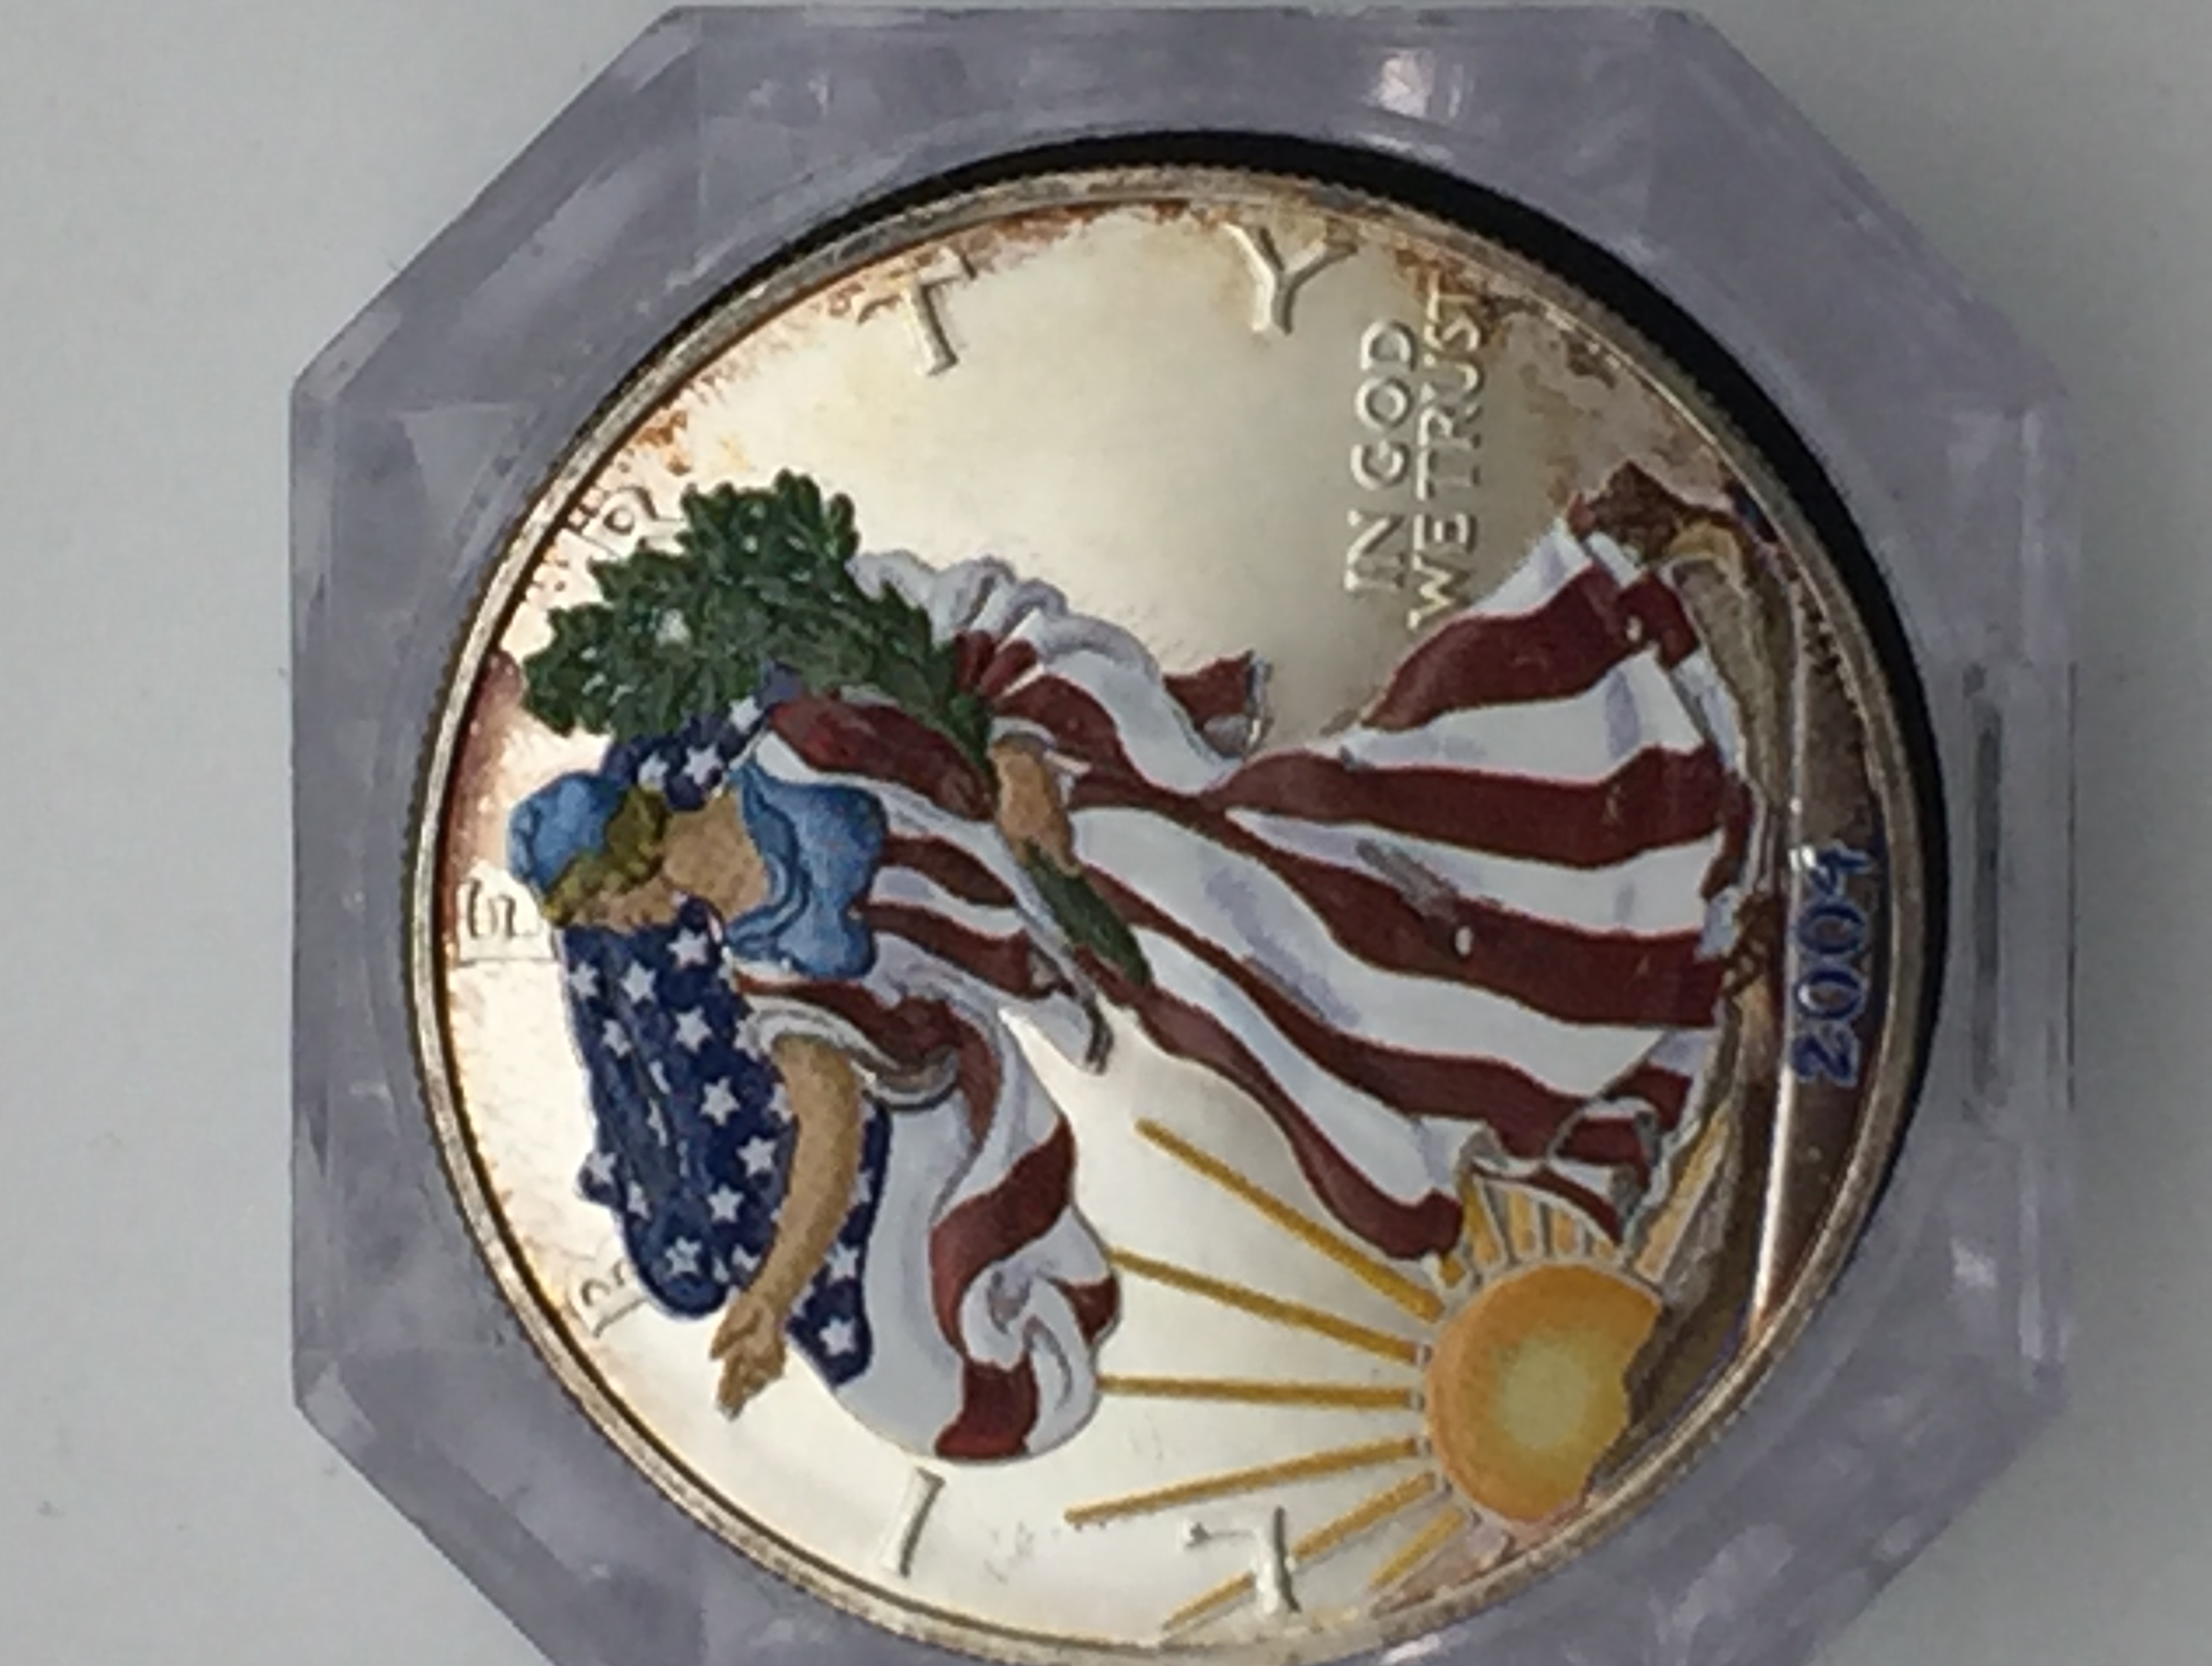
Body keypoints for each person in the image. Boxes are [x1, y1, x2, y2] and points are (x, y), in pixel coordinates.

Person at [509, 462, 1775, 1452]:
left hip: (1108, 820)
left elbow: (961, 648)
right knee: (1333, 985)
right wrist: (777, 1294)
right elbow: (828, 1137)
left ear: (621, 863)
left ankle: (1644, 818)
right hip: (1110, 949)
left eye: (595, 907)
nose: (615, 930)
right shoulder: (775, 968)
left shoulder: (797, 738)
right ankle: (1666, 977)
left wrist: (1015, 753)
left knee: (1346, 888)